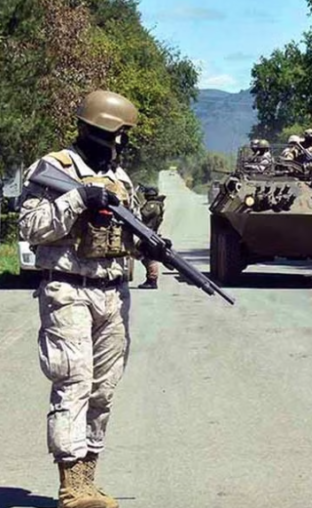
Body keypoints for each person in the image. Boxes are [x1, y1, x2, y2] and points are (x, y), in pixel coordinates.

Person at [18, 90, 167, 508]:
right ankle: (71, 487)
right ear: (98, 131)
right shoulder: (54, 169)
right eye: (119, 135)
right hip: (68, 290)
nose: (122, 143)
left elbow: (123, 238)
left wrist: (149, 247)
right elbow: (31, 227)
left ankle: (88, 478)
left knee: (103, 389)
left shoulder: (121, 179)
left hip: (113, 294)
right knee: (74, 381)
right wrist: (79, 198)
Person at [138, 186, 166, 289]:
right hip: (149, 232)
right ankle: (150, 279)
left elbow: (144, 213)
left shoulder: (152, 205)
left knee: (149, 258)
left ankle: (152, 280)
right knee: (146, 257)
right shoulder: (156, 204)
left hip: (149, 233)